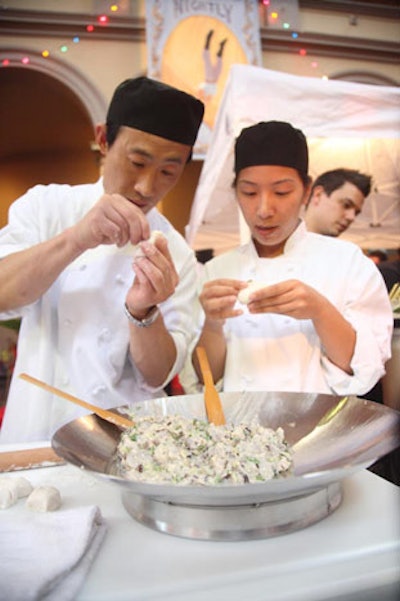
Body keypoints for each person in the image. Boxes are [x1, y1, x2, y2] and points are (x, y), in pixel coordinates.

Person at [0, 76, 204, 443]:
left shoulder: (177, 253)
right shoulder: (47, 207)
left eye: (168, 172)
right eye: (137, 162)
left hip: (124, 444)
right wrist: (78, 238)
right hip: (34, 436)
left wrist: (144, 313)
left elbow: (158, 375)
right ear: (103, 140)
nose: (147, 187)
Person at [182, 121, 392, 397]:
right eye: (249, 192)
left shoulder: (348, 263)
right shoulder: (217, 271)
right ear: (235, 192)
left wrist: (320, 311)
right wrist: (212, 323)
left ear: (307, 191)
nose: (264, 209)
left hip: (317, 431)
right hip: (239, 430)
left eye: (281, 192)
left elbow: (361, 370)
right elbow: (206, 380)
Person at [304, 168, 372, 237]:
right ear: (318, 195)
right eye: (346, 205)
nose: (351, 217)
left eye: (356, 213)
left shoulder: (348, 247)